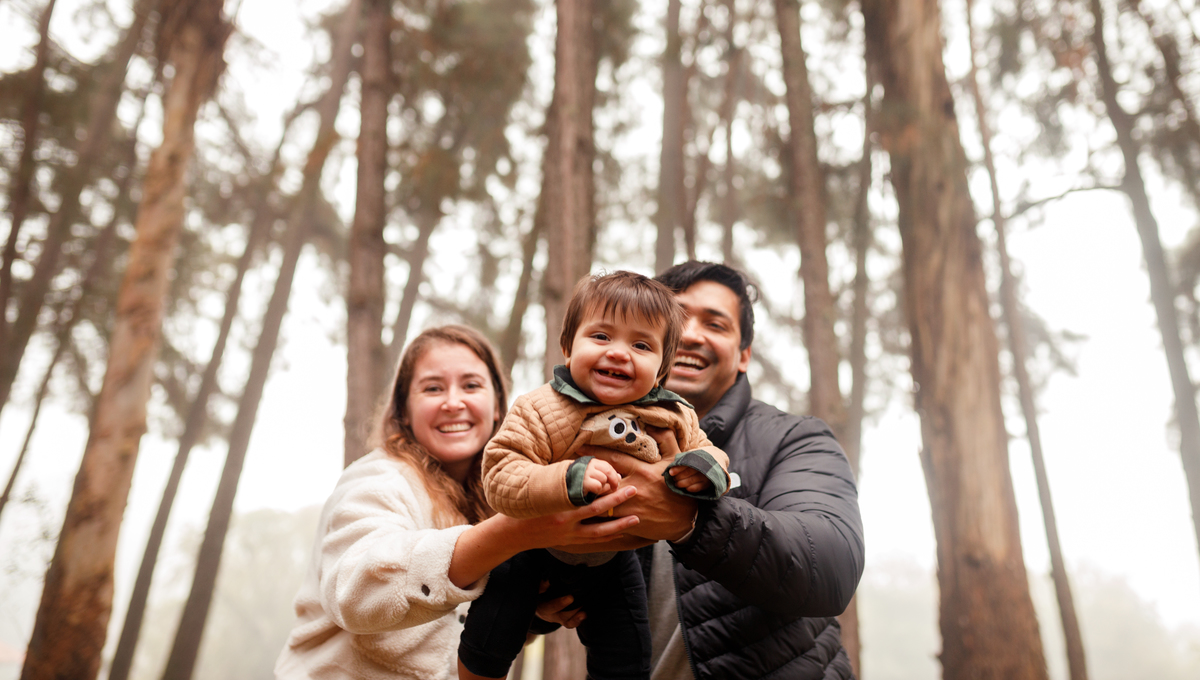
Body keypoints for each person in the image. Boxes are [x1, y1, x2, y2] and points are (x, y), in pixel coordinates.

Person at [275, 324, 641, 680]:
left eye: (471, 385)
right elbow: (357, 593)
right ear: (403, 410)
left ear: (499, 406)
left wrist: (533, 614)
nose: (453, 403)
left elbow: (457, 632)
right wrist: (514, 533)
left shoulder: (501, 491)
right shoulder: (378, 479)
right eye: (433, 388)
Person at [576, 261, 865, 680]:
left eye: (716, 324)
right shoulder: (591, 435)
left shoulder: (794, 439)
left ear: (743, 355)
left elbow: (831, 566)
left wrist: (690, 521)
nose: (691, 334)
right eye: (676, 318)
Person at [458, 271, 730, 680]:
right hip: (533, 549)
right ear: (568, 347)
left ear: (661, 370)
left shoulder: (673, 415)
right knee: (491, 635)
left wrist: (706, 471)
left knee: (627, 652)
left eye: (641, 345)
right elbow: (500, 474)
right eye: (601, 337)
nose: (619, 353)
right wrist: (567, 478)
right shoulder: (541, 409)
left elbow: (709, 450)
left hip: (613, 559)